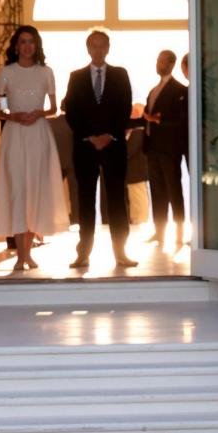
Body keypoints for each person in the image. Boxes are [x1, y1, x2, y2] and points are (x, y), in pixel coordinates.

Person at [0, 25, 68, 270]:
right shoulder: (6, 73)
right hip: (14, 135)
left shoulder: (46, 73)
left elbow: (53, 108)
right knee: (18, 190)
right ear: (16, 46)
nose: (27, 46)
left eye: (31, 41)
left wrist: (38, 113)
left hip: (38, 135)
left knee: (35, 190)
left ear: (37, 45)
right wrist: (12, 116)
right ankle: (20, 255)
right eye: (23, 41)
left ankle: (27, 254)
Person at [63, 29, 136, 268]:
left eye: (102, 45)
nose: (97, 50)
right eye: (93, 45)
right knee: (85, 200)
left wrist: (109, 135)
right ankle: (83, 252)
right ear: (88, 49)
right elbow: (71, 111)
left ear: (108, 48)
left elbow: (125, 107)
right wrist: (91, 137)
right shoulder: (76, 76)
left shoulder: (120, 74)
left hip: (113, 146)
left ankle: (121, 253)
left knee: (116, 199)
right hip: (85, 147)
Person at [142, 50, 187, 248]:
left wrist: (157, 121)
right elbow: (146, 117)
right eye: (157, 60)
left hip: (169, 149)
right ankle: (159, 232)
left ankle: (179, 233)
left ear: (171, 64)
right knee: (157, 191)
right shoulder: (153, 90)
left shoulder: (179, 90)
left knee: (174, 190)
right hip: (152, 147)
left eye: (162, 61)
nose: (158, 64)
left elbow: (180, 121)